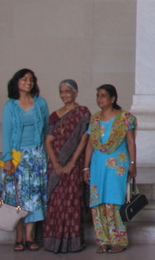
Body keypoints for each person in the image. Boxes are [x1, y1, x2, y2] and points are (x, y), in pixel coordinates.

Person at [82, 85, 137, 254]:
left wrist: (133, 163)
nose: (100, 99)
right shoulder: (95, 119)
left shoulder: (124, 118)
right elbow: (90, 144)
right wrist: (86, 167)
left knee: (113, 201)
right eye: (98, 96)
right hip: (98, 165)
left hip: (117, 165)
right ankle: (104, 240)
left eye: (103, 96)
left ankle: (119, 240)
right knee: (98, 202)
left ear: (113, 98)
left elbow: (130, 142)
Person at [2, 68, 49, 252]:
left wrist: (45, 153)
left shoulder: (41, 103)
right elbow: (5, 133)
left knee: (34, 197)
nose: (28, 82)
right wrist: (7, 159)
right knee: (18, 196)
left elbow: (46, 130)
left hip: (37, 156)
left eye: (31, 79)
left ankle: (30, 237)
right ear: (17, 82)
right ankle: (19, 236)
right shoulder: (10, 106)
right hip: (17, 157)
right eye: (24, 79)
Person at [42, 79, 91, 253]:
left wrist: (70, 163)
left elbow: (84, 139)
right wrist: (56, 164)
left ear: (76, 93)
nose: (64, 95)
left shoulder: (83, 113)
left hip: (74, 164)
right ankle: (52, 242)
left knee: (72, 200)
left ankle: (72, 242)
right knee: (55, 201)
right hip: (55, 165)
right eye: (61, 92)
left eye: (67, 92)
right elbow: (48, 141)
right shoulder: (55, 115)